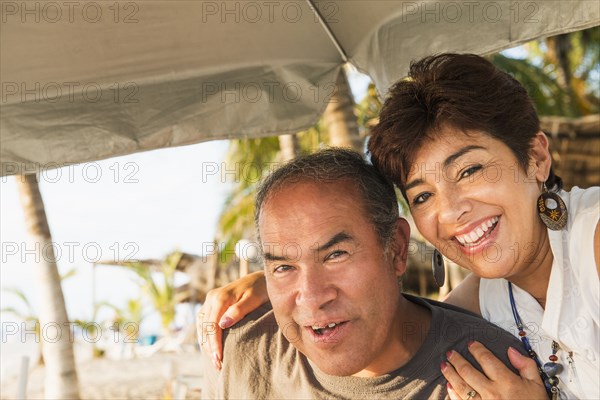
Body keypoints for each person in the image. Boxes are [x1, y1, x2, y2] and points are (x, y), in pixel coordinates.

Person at [199, 54, 600, 399]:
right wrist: (283, 280)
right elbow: (390, 310)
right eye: (423, 195)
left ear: (535, 157)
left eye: (470, 170)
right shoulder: (492, 292)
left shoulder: (592, 241)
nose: (452, 211)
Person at [199, 148, 537, 399]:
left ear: (397, 249)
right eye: (284, 266)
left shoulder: (491, 377)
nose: (313, 297)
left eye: (335, 255)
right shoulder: (238, 348)